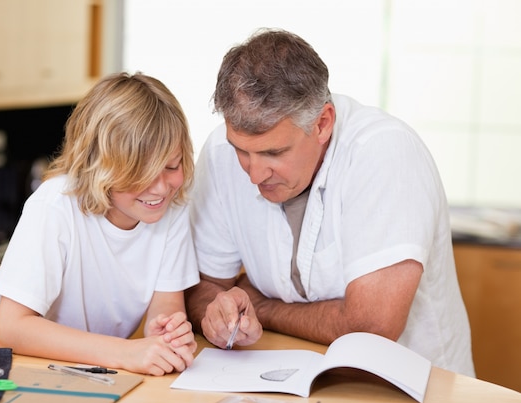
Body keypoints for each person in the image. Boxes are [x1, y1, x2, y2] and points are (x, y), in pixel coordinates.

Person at [185, 28, 475, 376]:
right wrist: (217, 311)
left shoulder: (385, 153)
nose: (254, 174)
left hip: (413, 388)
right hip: (291, 379)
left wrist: (260, 306)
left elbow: (372, 328)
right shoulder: (219, 152)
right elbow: (201, 287)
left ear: (323, 123)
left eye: (273, 152)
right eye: (241, 151)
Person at [0, 72, 199, 376]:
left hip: (91, 374)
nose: (162, 187)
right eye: (142, 173)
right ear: (101, 166)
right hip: (16, 372)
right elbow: (11, 328)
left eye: (172, 166)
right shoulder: (55, 206)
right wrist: (124, 352)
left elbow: (167, 304)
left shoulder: (171, 210)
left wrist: (167, 330)